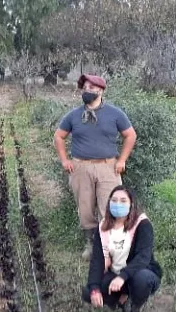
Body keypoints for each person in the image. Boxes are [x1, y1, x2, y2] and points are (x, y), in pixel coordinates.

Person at [54, 74, 137, 261]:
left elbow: (130, 135)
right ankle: (91, 245)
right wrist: (64, 160)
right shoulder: (74, 115)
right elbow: (59, 136)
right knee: (84, 208)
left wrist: (122, 160)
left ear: (101, 90)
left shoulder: (115, 114)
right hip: (80, 167)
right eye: (84, 88)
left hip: (108, 167)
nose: (87, 91)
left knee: (110, 207)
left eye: (91, 88)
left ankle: (110, 247)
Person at [82, 186, 162, 312]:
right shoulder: (103, 227)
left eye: (123, 200)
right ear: (109, 203)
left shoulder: (142, 224)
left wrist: (123, 276)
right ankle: (122, 299)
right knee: (88, 293)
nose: (118, 204)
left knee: (142, 278)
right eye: (114, 200)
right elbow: (97, 261)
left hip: (138, 273)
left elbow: (143, 257)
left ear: (131, 204)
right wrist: (94, 288)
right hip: (116, 275)